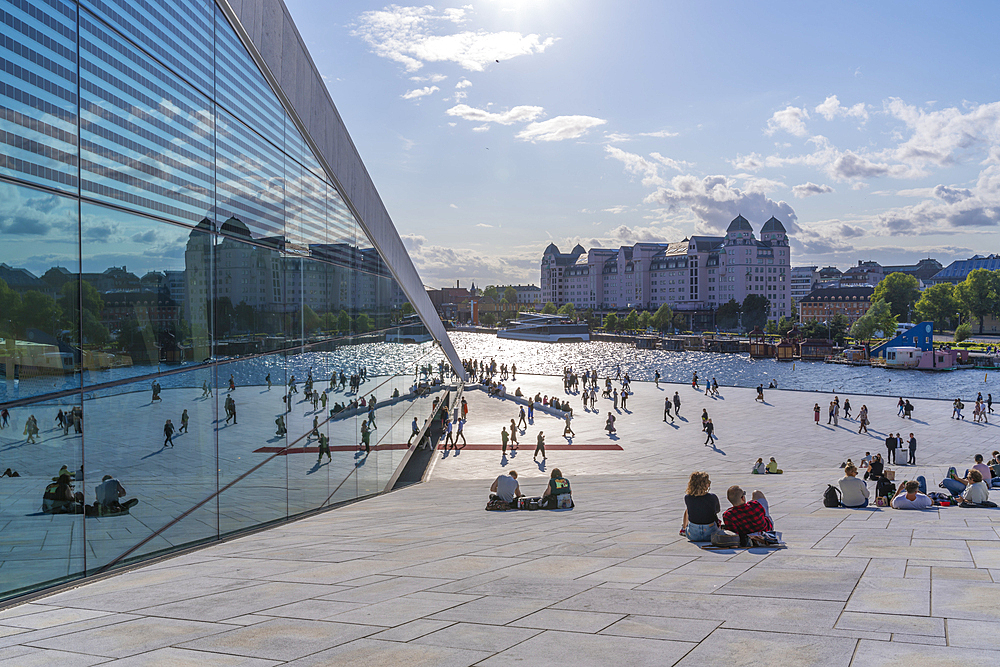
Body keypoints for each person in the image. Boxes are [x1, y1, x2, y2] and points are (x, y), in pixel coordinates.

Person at [682, 471, 720, 541]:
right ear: (707, 484)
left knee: (687, 510)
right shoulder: (712, 497)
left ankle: (683, 529)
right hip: (711, 534)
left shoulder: (688, 497)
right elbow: (717, 510)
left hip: (693, 535)